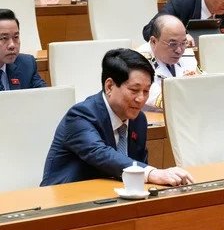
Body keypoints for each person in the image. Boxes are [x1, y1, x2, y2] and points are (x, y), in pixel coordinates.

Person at [41, 48, 195, 186]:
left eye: (146, 91)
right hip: (67, 200)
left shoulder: (138, 120)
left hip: (112, 197)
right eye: (134, 90)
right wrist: (152, 173)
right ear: (109, 86)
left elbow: (136, 164)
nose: (141, 99)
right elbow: (101, 154)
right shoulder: (81, 116)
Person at [137, 15, 199, 111]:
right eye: (173, 44)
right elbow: (155, 97)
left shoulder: (186, 53)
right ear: (154, 41)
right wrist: (187, 86)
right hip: (154, 116)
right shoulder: (139, 60)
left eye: (183, 43)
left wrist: (198, 81)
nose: (179, 50)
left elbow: (206, 84)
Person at [0, 8, 46, 90]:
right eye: (4, 38)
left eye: (16, 37)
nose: (12, 45)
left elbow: (44, 94)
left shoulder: (27, 64)